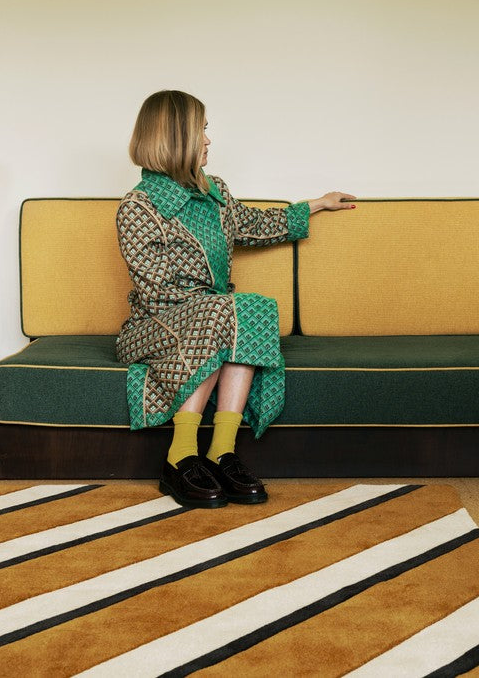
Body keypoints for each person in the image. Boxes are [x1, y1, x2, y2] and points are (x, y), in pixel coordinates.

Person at [116, 90, 356, 508]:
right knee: (225, 311)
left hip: (213, 317)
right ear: (175, 137)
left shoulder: (217, 193)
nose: (208, 140)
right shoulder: (138, 207)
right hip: (153, 327)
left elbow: (255, 225)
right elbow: (156, 293)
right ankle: (180, 455)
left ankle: (221, 453)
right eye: (201, 131)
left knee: (252, 307)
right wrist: (211, 309)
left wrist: (316, 205)